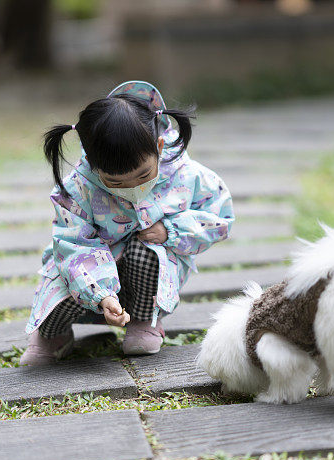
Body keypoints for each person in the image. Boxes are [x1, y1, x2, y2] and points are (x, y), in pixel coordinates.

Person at [19, 80, 234, 365]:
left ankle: (144, 321)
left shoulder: (188, 175)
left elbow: (219, 217)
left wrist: (171, 230)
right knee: (63, 283)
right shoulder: (78, 188)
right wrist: (102, 293)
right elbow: (73, 242)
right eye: (115, 182)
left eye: (144, 175)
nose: (132, 186)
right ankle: (52, 334)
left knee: (147, 251)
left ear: (158, 146)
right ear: (94, 167)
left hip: (146, 270)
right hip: (90, 267)